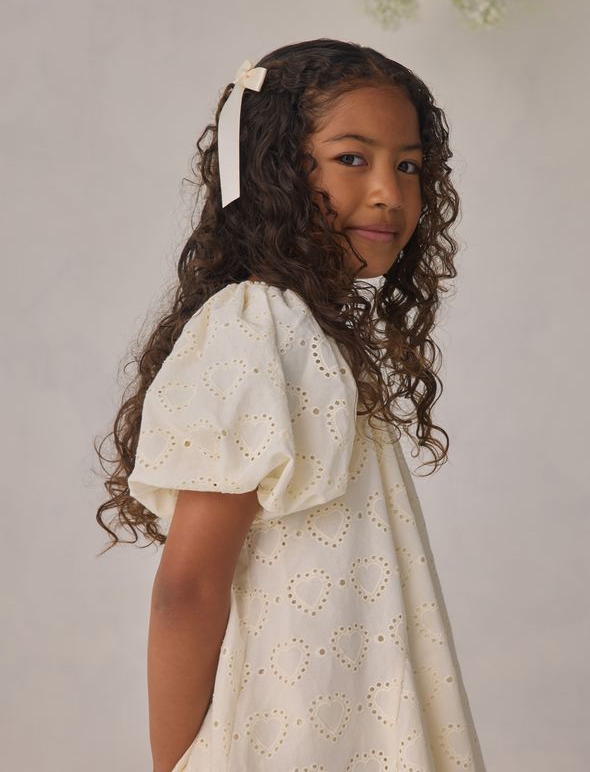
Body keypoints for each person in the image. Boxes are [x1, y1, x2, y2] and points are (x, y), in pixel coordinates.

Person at [95, 37, 487, 772]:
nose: (389, 192)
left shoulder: (317, 334)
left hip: (349, 719)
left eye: (409, 166)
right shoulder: (256, 324)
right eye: (352, 158)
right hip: (284, 739)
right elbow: (188, 587)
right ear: (274, 168)